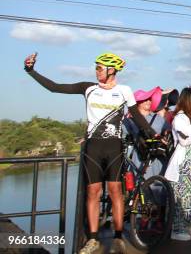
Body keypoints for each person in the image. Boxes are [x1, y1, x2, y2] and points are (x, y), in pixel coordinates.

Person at [23, 52, 156, 254]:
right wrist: (31, 70)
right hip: (93, 146)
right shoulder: (89, 88)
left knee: (115, 192)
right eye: (96, 68)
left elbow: (137, 116)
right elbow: (55, 88)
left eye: (100, 68)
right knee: (93, 193)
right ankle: (92, 239)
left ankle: (118, 237)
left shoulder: (124, 91)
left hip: (114, 147)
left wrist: (153, 134)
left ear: (112, 70)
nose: (96, 72)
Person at [164, 87, 191, 241]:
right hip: (183, 164)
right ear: (188, 100)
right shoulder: (179, 118)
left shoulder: (189, 118)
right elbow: (184, 140)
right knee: (181, 195)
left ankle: (187, 224)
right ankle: (177, 229)